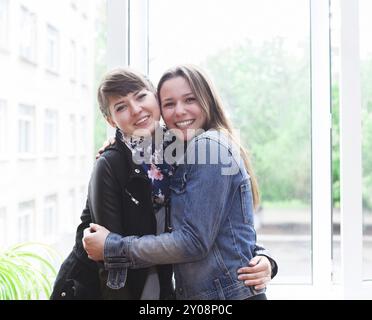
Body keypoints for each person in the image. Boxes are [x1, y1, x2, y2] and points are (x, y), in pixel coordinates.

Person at [83, 65, 278, 300]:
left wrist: (112, 247)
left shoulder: (205, 147)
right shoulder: (163, 152)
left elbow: (196, 238)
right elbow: (223, 224)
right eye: (170, 104)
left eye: (189, 100)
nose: (180, 112)